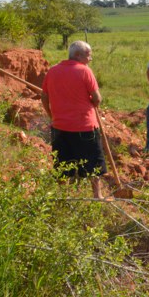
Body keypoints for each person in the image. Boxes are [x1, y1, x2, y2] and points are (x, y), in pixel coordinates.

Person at [41, 41, 105, 198]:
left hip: (59, 127)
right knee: (92, 163)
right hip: (84, 127)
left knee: (63, 164)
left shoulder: (53, 71)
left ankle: (63, 197)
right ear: (78, 55)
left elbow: (44, 97)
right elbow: (97, 98)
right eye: (88, 54)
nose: (90, 58)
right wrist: (91, 104)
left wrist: (52, 115)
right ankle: (97, 196)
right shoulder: (85, 71)